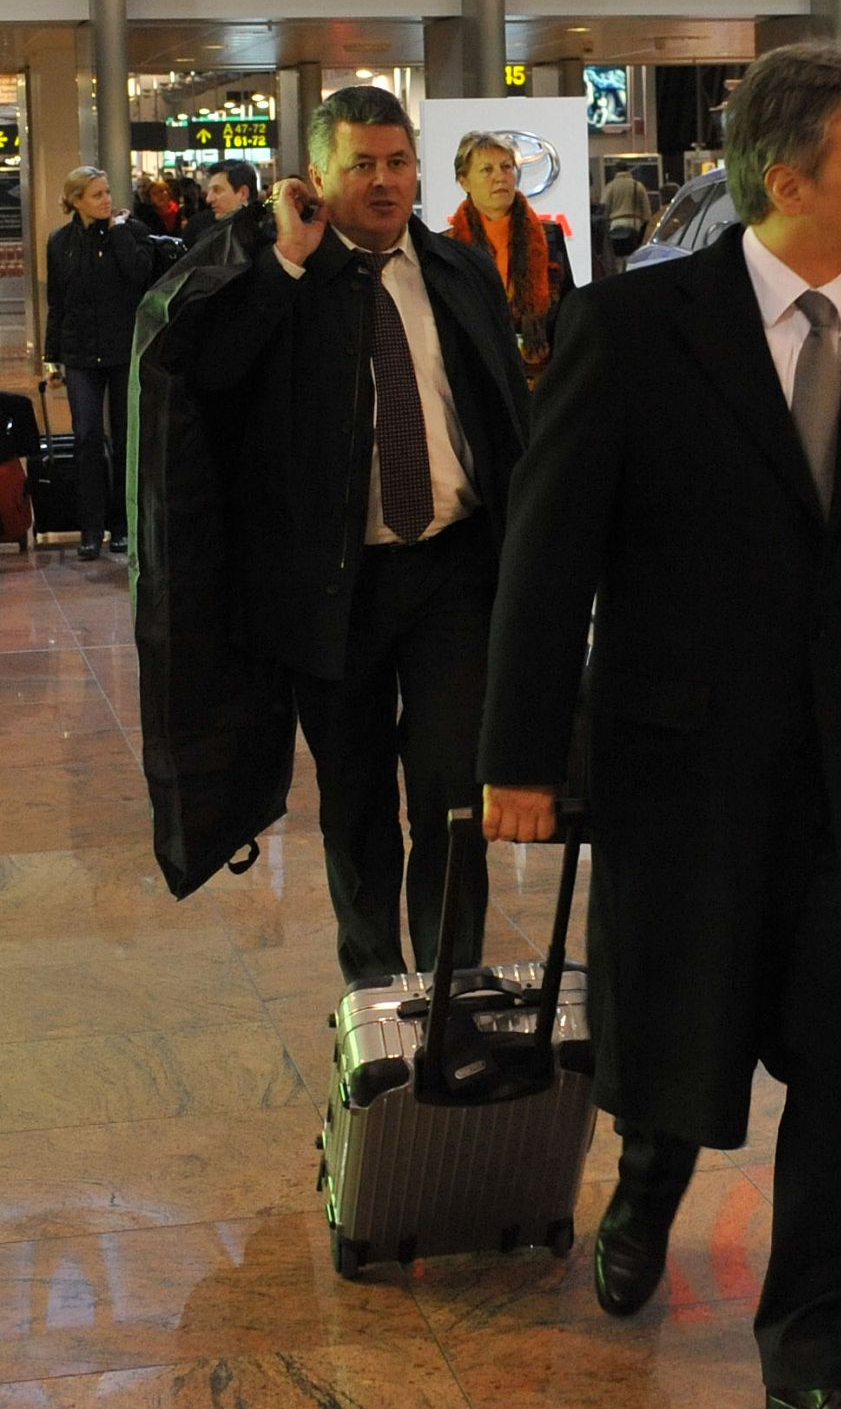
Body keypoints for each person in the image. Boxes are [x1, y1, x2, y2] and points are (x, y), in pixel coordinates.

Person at [478, 41, 841, 1409]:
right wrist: (520, 755)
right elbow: (547, 559)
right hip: (684, 770)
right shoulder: (636, 331)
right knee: (679, 1028)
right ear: (792, 177)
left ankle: (815, 1345)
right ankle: (646, 1176)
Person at [181, 85, 529, 983]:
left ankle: (452, 985)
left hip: (454, 565)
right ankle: (373, 987)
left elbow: (503, 412)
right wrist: (285, 263)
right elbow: (210, 374)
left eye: (398, 163)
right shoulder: (282, 279)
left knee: (454, 789)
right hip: (335, 584)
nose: (384, 183)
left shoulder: (457, 269)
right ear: (317, 178)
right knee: (357, 796)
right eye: (361, 166)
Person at [42, 166, 156, 559]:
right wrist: (50, 357)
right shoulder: (60, 242)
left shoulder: (131, 232)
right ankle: (90, 529)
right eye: (97, 195)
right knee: (86, 438)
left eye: (108, 192)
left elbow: (140, 276)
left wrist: (122, 231)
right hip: (79, 354)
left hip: (124, 349)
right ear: (76, 201)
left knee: (126, 440)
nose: (107, 200)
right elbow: (57, 302)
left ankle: (122, 526)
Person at [445, 131, 574, 384]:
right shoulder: (447, 245)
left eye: (506, 167)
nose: (500, 177)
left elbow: (568, 304)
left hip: (542, 378)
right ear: (464, 182)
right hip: (476, 378)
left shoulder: (550, 235)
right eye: (486, 170)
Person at [602, 161, 651, 264]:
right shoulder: (638, 186)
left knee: (617, 259)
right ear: (628, 170)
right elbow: (647, 212)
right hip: (634, 224)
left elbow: (604, 209)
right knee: (633, 258)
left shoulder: (610, 187)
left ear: (615, 171)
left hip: (615, 225)